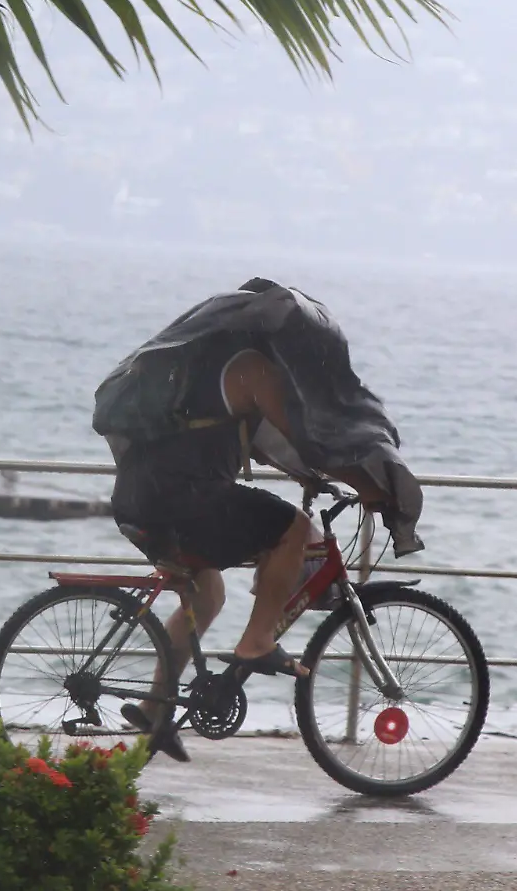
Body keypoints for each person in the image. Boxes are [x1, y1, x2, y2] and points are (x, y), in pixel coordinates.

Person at [93, 279, 422, 762]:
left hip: (143, 496)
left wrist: (306, 477)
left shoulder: (207, 368)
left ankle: (154, 708)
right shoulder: (252, 370)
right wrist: (369, 488)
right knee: (290, 531)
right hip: (185, 497)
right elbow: (307, 437)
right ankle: (256, 641)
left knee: (207, 595)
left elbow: (269, 446)